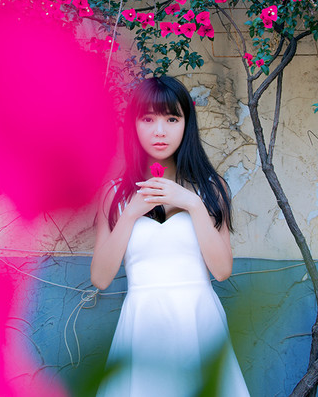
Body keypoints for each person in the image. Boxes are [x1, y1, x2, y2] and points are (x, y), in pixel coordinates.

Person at [90, 75, 250, 397]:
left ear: (185, 124)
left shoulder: (210, 189)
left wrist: (191, 203)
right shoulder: (114, 195)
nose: (160, 131)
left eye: (171, 118)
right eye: (148, 119)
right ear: (133, 125)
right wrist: (132, 212)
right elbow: (101, 278)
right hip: (143, 323)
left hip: (199, 321)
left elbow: (221, 271)